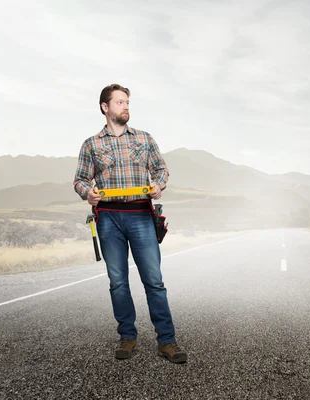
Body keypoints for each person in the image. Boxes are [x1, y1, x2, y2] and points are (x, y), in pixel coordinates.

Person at [73, 83, 187, 364]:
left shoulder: (144, 139)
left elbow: (161, 169)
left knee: (154, 281)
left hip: (140, 215)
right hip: (108, 219)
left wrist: (158, 186)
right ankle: (127, 336)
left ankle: (167, 341)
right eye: (120, 102)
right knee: (118, 282)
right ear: (105, 107)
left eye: (127, 102)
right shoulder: (91, 144)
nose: (126, 107)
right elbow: (80, 180)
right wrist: (87, 193)